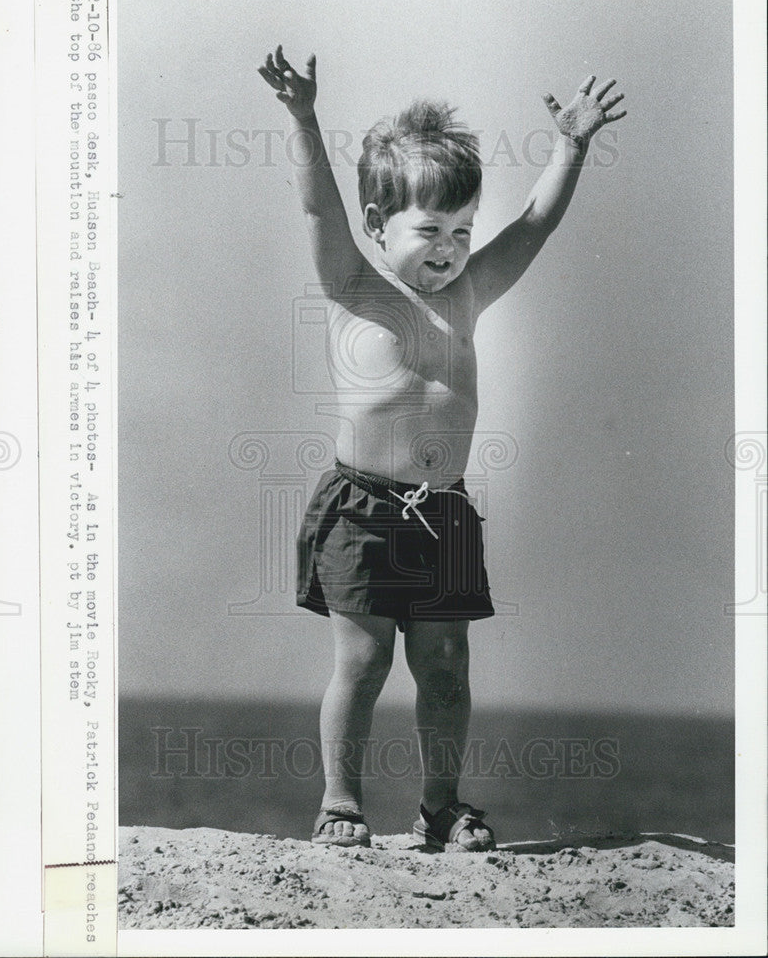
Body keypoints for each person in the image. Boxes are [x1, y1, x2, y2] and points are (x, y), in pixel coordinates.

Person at [258, 45, 626, 851]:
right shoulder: (355, 291)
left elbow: (532, 224)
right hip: (361, 508)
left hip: (444, 513)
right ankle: (340, 804)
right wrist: (303, 117)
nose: (448, 247)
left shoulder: (466, 296)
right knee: (362, 662)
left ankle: (442, 806)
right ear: (377, 225)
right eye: (429, 229)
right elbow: (319, 210)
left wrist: (570, 145)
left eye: (461, 230)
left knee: (447, 666)